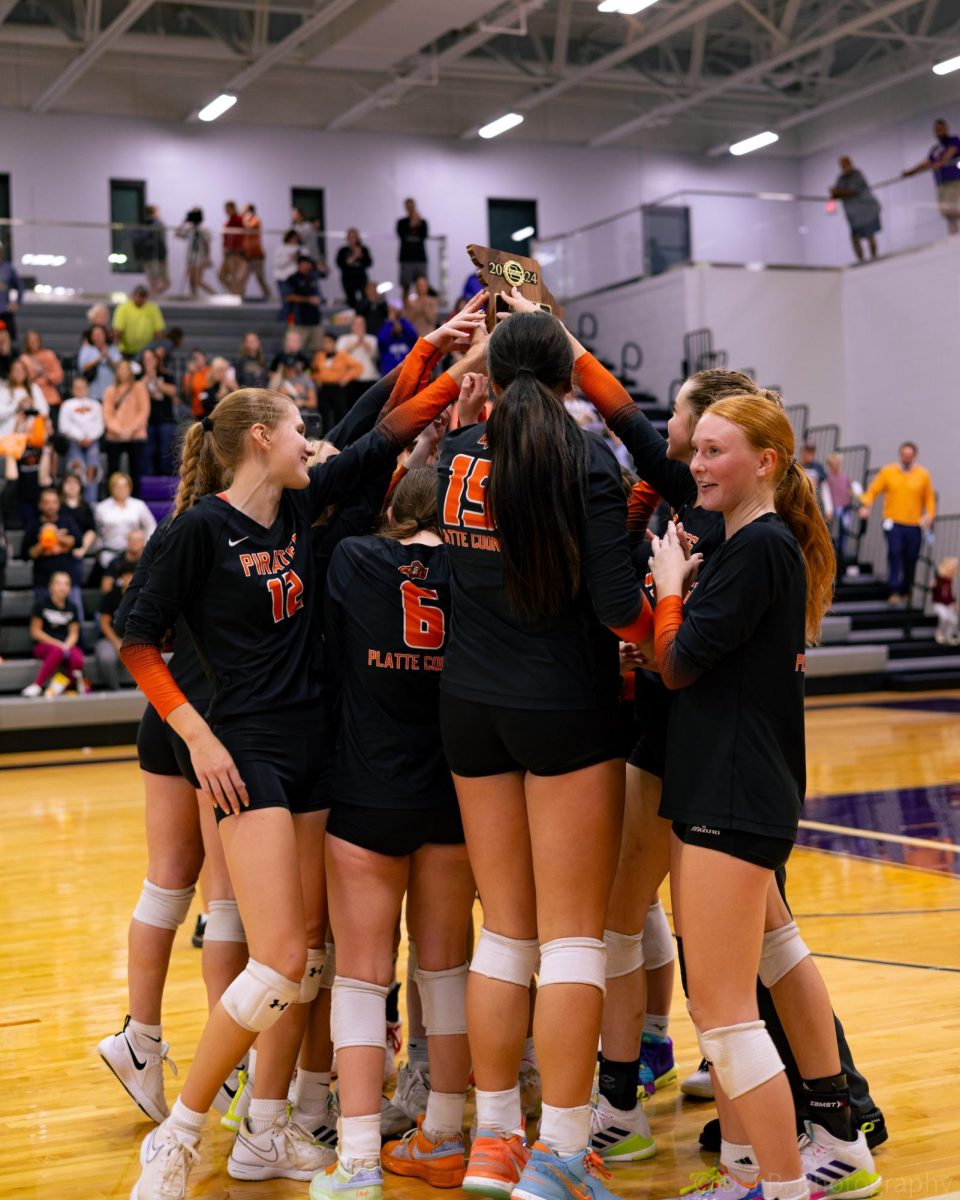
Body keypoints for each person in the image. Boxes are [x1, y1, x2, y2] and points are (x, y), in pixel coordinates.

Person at [118, 345, 484, 1200]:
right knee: (278, 956)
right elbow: (138, 641)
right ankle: (180, 1133)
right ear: (257, 440)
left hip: (316, 743)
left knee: (308, 959)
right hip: (244, 749)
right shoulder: (197, 529)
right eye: (296, 430)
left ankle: (266, 1130)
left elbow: (380, 433)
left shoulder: (296, 512)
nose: (308, 442)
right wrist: (197, 738)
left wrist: (445, 353)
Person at [436, 303, 658, 1200]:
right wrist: (663, 631)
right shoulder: (584, 458)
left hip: (468, 710)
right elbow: (616, 605)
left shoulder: (457, 454)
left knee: (506, 933)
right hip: (565, 709)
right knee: (572, 941)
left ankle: (493, 1142)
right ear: (572, 375)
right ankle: (561, 1153)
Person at [646, 395, 881, 1200]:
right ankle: (818, 1152)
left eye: (714, 452)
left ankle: (782, 1184)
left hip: (732, 789)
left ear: (765, 462)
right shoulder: (755, 546)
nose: (698, 466)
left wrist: (670, 585)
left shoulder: (758, 549)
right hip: (736, 781)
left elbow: (675, 663)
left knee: (720, 1009)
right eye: (697, 450)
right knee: (772, 964)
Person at [318, 466, 476, 1195]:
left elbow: (337, 491)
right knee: (443, 975)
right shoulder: (473, 566)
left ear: (392, 506)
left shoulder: (355, 557)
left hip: (368, 790)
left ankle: (355, 1161)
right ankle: (445, 1133)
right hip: (450, 793)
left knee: (359, 977)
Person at [98, 518, 247, 1124]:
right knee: (226, 900)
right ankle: (232, 1064)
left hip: (165, 707)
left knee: (166, 883)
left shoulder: (177, 528)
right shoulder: (239, 526)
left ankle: (140, 1039)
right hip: (206, 715)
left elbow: (132, 619)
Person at [858, 441, 935, 606]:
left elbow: (929, 498)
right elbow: (873, 490)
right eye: (904, 455)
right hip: (893, 522)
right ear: (900, 455)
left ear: (915, 456)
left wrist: (930, 514)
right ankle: (893, 590)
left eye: (910, 456)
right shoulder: (888, 471)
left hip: (914, 524)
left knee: (911, 557)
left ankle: (906, 589)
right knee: (895, 553)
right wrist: (866, 505)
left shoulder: (923, 475)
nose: (906, 458)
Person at [21, 570, 86, 697]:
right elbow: (35, 632)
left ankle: (57, 687)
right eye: (59, 584)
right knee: (57, 651)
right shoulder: (41, 604)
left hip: (65, 644)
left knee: (78, 659)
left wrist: (67, 645)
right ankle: (37, 685)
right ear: (51, 586)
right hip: (44, 645)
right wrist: (58, 645)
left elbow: (74, 632)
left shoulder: (72, 607)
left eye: (66, 584)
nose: (63, 587)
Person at [901, 117, 960, 235]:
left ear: (946, 129)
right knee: (947, 214)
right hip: (941, 184)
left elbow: (951, 152)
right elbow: (926, 163)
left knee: (952, 209)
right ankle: (954, 239)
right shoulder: (935, 149)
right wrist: (910, 172)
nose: (939, 132)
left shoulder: (953, 140)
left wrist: (941, 162)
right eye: (937, 130)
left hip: (954, 181)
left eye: (941, 129)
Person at [102, 360, 150, 495]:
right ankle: (111, 497)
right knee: (113, 470)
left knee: (136, 470)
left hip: (136, 435)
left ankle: (135, 499)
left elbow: (144, 411)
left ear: (130, 372)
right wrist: (119, 430)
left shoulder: (139, 388)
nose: (122, 371)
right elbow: (107, 414)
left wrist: (130, 430)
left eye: (125, 368)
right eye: (120, 368)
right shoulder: (110, 390)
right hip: (114, 436)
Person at [95, 471, 157, 569]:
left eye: (124, 486)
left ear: (130, 487)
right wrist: (98, 549)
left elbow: (151, 526)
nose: (121, 489)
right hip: (109, 553)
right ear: (111, 488)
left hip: (134, 554)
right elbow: (97, 531)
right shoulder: (101, 507)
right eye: (117, 486)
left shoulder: (139, 505)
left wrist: (144, 545)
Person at [59, 377, 104, 505]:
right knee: (76, 470)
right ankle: (74, 502)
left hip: (93, 442)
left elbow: (100, 425)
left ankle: (91, 503)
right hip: (74, 442)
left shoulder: (95, 405)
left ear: (87, 388)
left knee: (92, 471)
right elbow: (64, 426)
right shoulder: (67, 404)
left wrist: (89, 438)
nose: (79, 390)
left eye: (82, 387)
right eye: (76, 387)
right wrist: (79, 438)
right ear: (72, 389)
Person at [830, 158, 881, 262]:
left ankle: (874, 258)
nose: (844, 167)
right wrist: (836, 193)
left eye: (845, 164)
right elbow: (837, 194)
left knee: (870, 235)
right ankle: (861, 260)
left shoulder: (857, 174)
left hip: (866, 211)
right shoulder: (841, 178)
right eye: (842, 165)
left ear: (850, 163)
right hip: (854, 216)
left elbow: (852, 191)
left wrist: (838, 192)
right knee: (855, 238)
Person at [96, 564, 135, 690]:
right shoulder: (111, 596)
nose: (129, 579)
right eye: (126, 576)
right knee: (106, 658)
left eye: (132, 575)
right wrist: (117, 643)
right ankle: (115, 689)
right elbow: (104, 623)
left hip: (134, 639)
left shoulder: (143, 597)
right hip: (110, 639)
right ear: (121, 578)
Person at [311, 334, 361, 431]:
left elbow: (358, 367)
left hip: (337, 388)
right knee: (323, 414)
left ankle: (340, 437)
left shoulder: (342, 355)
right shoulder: (319, 356)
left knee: (340, 414)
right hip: (324, 388)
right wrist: (317, 378)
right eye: (324, 342)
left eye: (329, 342)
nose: (326, 345)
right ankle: (324, 437)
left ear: (334, 343)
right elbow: (313, 371)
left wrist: (347, 378)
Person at [142, 347, 179, 476]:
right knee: (148, 451)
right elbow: (135, 391)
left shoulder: (166, 375)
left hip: (165, 419)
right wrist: (147, 377)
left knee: (165, 451)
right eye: (146, 360)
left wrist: (157, 382)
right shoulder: (139, 377)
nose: (149, 362)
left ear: (156, 360)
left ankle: (167, 477)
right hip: (147, 421)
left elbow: (173, 391)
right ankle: (149, 479)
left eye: (151, 359)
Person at [113, 287, 166, 358]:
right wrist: (117, 347)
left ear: (146, 297)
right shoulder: (123, 308)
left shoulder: (153, 308)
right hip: (126, 350)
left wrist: (154, 346)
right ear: (132, 295)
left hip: (146, 351)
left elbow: (158, 330)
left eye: (142, 296)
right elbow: (118, 330)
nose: (139, 298)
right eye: (137, 295)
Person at [19, 329, 63, 412]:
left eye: (36, 340)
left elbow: (58, 377)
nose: (34, 343)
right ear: (26, 343)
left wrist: (46, 374)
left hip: (50, 397)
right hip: (33, 398)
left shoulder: (49, 355)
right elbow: (21, 379)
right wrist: (36, 374)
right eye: (31, 341)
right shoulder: (24, 359)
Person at [284, 256, 324, 348]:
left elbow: (324, 273)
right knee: (293, 348)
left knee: (318, 349)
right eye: (305, 264)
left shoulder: (312, 278)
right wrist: (308, 300)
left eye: (309, 264)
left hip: (315, 320)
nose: (307, 266)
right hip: (298, 320)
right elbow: (288, 297)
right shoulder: (292, 279)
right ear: (299, 265)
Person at [78, 324, 123, 401]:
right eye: (95, 335)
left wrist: (108, 357)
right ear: (91, 337)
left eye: (100, 334)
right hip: (93, 393)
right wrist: (99, 358)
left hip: (111, 390)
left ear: (105, 335)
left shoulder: (112, 348)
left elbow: (120, 366)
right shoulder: (87, 349)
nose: (98, 337)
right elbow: (83, 367)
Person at [177, 209, 215, 298]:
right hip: (190, 257)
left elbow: (207, 244)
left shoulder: (204, 230)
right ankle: (193, 298)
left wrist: (207, 257)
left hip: (200, 257)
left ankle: (215, 295)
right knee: (191, 281)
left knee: (198, 281)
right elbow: (178, 234)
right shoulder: (189, 229)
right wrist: (183, 222)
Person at [137, 206, 171, 296]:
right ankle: (149, 297)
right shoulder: (158, 225)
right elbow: (161, 242)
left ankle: (148, 297)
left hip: (146, 257)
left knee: (153, 283)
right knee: (164, 282)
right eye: (158, 211)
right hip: (156, 257)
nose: (159, 213)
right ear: (153, 212)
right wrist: (163, 257)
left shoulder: (143, 224)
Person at [397, 198, 429, 291]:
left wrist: (417, 224)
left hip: (420, 258)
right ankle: (406, 305)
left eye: (412, 206)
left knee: (422, 285)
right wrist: (411, 224)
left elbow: (424, 236)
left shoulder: (423, 223)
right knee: (405, 286)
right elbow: (401, 235)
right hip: (406, 259)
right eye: (408, 206)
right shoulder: (401, 223)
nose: (410, 208)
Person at [101, 528, 147, 593]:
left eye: (138, 540)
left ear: (144, 542)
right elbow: (105, 588)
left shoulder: (148, 563)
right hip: (118, 598)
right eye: (132, 540)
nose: (135, 542)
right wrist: (122, 584)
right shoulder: (116, 562)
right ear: (127, 541)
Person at [336, 228, 372, 309]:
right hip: (348, 278)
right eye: (351, 237)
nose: (353, 239)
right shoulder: (343, 251)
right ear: (347, 238)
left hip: (361, 277)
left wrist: (362, 257)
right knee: (351, 299)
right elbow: (340, 264)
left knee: (365, 297)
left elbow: (369, 263)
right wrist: (353, 257)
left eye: (355, 237)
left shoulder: (363, 249)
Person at [241, 205, 270, 300]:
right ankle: (241, 298)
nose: (242, 211)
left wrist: (245, 219)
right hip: (247, 255)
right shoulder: (246, 220)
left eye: (244, 210)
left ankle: (268, 296)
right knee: (242, 277)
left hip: (257, 255)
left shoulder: (256, 220)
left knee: (260, 278)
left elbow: (249, 227)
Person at [272, 230, 302, 320]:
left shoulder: (302, 249)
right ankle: (282, 323)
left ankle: (293, 323)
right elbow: (278, 263)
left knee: (297, 304)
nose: (294, 240)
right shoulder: (281, 248)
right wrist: (290, 257)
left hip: (297, 280)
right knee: (286, 302)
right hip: (283, 278)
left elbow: (305, 264)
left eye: (297, 238)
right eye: (293, 237)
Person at [219, 201, 247, 295]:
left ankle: (237, 295)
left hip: (236, 252)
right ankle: (234, 293)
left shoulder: (239, 219)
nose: (227, 211)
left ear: (233, 208)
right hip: (229, 252)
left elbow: (241, 234)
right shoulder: (229, 221)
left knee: (235, 276)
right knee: (221, 275)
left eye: (228, 209)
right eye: (226, 210)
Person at [378, 308, 418, 373]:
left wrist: (403, 323)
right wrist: (391, 324)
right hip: (390, 372)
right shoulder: (386, 327)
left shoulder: (405, 327)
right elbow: (381, 341)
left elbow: (414, 337)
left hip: (407, 371)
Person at [403, 274, 439, 339]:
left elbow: (432, 319)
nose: (421, 288)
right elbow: (408, 319)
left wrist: (424, 305)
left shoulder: (432, 301)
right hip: (414, 336)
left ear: (427, 286)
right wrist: (413, 307)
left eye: (423, 285)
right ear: (416, 287)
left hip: (429, 335)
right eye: (419, 285)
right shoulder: (412, 301)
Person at [0, 243, 22, 342]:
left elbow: (20, 286)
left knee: (10, 339)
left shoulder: (8, 268)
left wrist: (17, 302)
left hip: (5, 311)